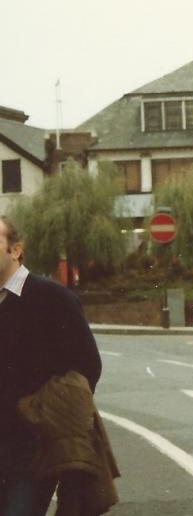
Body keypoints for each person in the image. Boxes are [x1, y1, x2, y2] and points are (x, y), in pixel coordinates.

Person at [0, 215, 107, 515]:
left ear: (15, 249)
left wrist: (40, 412)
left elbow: (87, 367)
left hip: (32, 445)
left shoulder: (52, 298)